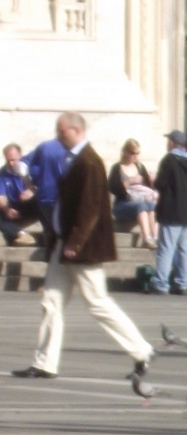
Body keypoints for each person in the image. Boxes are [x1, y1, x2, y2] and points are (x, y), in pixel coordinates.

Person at [12, 113, 152, 379]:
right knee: (51, 301)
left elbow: (90, 208)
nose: (58, 134)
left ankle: (141, 350)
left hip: (82, 247)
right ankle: (44, 363)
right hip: (63, 242)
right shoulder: (73, 159)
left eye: (62, 130)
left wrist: (75, 242)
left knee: (98, 302)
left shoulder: (89, 162)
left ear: (76, 130)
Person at [149, 130, 187, 292]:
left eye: (168, 141)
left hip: (171, 209)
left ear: (172, 143)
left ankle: (161, 283)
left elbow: (161, 184)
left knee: (166, 248)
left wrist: (153, 181)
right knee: (185, 250)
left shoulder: (169, 160)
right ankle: (182, 283)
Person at [24, 116, 77, 242]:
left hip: (45, 196)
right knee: (61, 231)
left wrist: (30, 184)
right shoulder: (73, 149)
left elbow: (23, 165)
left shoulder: (44, 146)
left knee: (52, 230)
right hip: (61, 198)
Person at [0, 144, 33, 244]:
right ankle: (20, 234)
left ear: (20, 155)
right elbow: (1, 196)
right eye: (8, 160)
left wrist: (32, 191)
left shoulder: (30, 168)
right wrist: (7, 210)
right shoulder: (3, 173)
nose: (11, 163)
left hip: (32, 203)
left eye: (13, 160)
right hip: (15, 205)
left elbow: (44, 186)